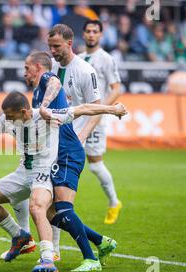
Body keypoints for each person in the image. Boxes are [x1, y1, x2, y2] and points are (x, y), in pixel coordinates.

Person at [4, 25, 119, 267]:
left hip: (71, 142)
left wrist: (84, 133)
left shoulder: (85, 71)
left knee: (62, 207)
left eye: (57, 46)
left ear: (70, 43)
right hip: (53, 143)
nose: (53, 51)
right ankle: (88, 244)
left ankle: (86, 255)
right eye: (50, 47)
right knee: (50, 209)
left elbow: (91, 107)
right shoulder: (50, 69)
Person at [0, 89, 126, 272]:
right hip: (23, 172)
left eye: (9, 115)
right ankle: (19, 235)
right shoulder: (8, 119)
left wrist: (113, 109)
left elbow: (84, 108)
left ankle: (47, 259)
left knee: (38, 208)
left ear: (24, 112)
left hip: (45, 171)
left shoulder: (46, 116)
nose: (6, 119)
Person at [79, 20, 123, 224]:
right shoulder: (78, 58)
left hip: (95, 117)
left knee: (95, 166)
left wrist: (102, 108)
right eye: (88, 31)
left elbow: (116, 88)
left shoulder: (106, 59)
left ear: (100, 35)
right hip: (77, 116)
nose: (91, 35)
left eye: (95, 31)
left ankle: (114, 202)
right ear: (83, 34)